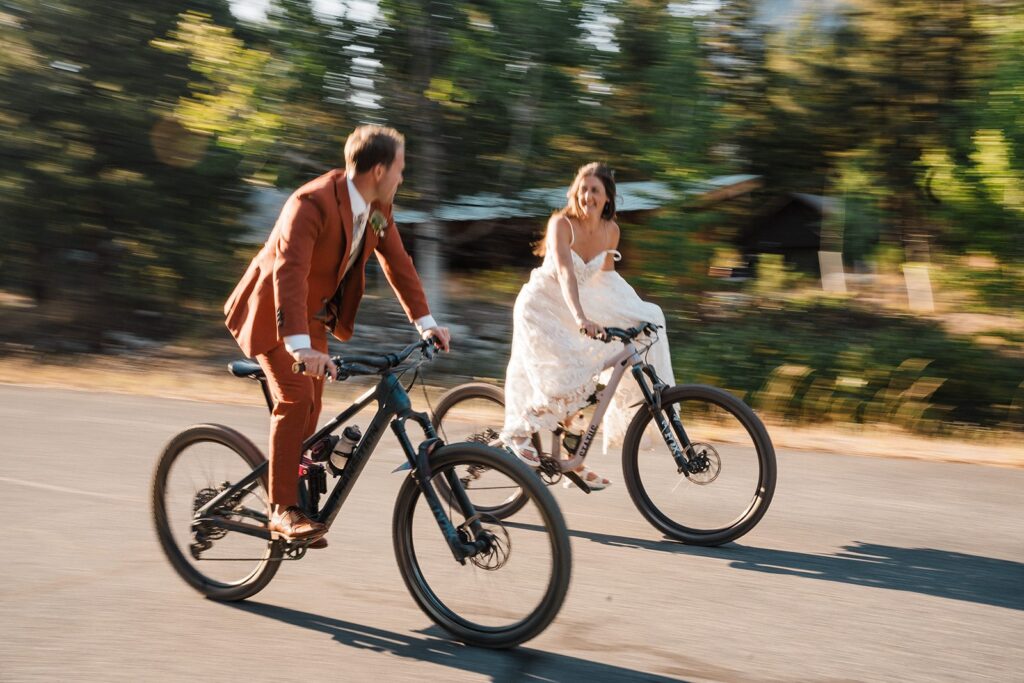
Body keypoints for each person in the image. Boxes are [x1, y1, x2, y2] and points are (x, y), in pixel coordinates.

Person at [225, 125, 451, 543]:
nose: (403, 178)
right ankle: (283, 510)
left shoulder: (376, 208)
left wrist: (426, 321)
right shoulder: (311, 203)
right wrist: (298, 346)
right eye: (401, 170)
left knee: (313, 409)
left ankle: (300, 475)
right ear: (379, 170)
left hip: (310, 315)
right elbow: (288, 273)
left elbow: (397, 261)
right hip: (273, 312)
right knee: (296, 399)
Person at [500, 162, 674, 490]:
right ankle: (520, 432)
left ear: (608, 198)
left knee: (598, 368)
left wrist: (638, 315)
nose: (587, 195)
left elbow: (607, 282)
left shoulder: (611, 231)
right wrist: (581, 317)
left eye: (595, 190)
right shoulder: (561, 224)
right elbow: (566, 272)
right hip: (542, 307)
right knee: (567, 377)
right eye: (582, 187)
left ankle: (567, 455)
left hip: (577, 310)